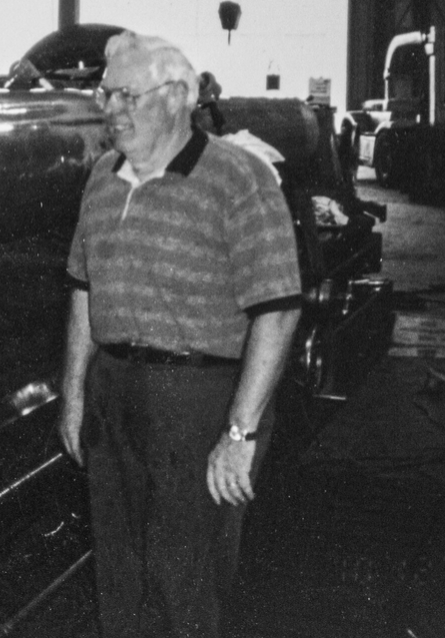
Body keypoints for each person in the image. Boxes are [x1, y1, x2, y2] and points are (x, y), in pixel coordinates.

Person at [57, 31, 302, 638]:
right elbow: (84, 292)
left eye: (125, 96)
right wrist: (75, 394)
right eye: (104, 95)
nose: (111, 110)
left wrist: (240, 431)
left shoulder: (238, 177)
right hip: (114, 391)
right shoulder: (101, 178)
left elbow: (278, 309)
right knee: (120, 573)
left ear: (175, 98)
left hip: (199, 398)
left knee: (188, 578)